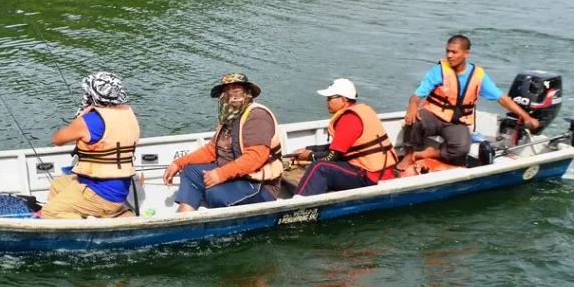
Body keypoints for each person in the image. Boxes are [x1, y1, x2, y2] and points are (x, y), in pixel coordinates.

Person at [398, 35, 540, 170]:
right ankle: (409, 155)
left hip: (456, 121)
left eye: (454, 52)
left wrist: (527, 117)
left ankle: (426, 153)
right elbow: (417, 96)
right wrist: (413, 105)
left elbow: (502, 98)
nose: (449, 56)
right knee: (413, 119)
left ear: (466, 54)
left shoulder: (478, 75)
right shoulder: (438, 71)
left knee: (461, 149)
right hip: (433, 115)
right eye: (448, 51)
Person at [162, 73, 282, 211]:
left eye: (236, 90)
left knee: (214, 193)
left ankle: (223, 228)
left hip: (259, 185)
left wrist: (220, 175)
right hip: (235, 176)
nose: (232, 96)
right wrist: (179, 163)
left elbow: (254, 158)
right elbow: (211, 150)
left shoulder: (257, 117)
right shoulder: (230, 117)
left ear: (248, 93)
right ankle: (186, 220)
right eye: (226, 91)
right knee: (189, 171)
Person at [42, 72, 140, 219]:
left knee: (49, 212)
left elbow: (57, 140)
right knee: (58, 184)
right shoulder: (126, 114)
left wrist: (81, 115)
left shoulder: (89, 121)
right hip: (118, 189)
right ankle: (104, 216)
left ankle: (90, 227)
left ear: (92, 95)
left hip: (101, 195)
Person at [289, 78, 399, 196]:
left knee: (319, 168)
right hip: (377, 170)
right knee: (315, 170)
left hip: (370, 175)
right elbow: (336, 147)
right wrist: (309, 148)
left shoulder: (349, 119)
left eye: (330, 98)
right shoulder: (359, 111)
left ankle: (296, 208)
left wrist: (310, 156)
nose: (326, 101)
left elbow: (332, 156)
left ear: (343, 99)